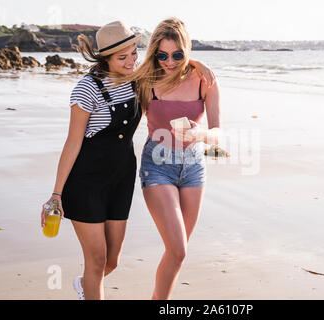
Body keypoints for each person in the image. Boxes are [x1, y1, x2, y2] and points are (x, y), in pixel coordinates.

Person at [40, 20, 214, 300]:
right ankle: (90, 288)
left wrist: (194, 62)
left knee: (111, 262)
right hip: (86, 182)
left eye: (134, 53)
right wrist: (56, 194)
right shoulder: (87, 89)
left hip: (121, 180)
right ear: (105, 58)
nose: (132, 60)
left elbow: (167, 61)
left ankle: (85, 286)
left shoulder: (137, 79)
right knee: (96, 261)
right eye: (123, 57)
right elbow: (72, 143)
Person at [118, 17, 221, 299]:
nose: (169, 62)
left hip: (194, 168)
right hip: (157, 167)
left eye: (177, 55)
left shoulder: (205, 80)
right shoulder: (145, 80)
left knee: (177, 255)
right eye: (162, 55)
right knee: (178, 248)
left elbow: (217, 135)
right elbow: (116, 72)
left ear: (186, 50)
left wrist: (201, 133)